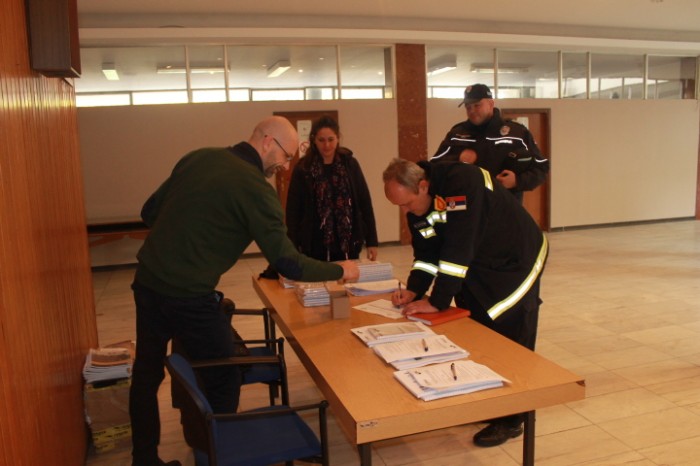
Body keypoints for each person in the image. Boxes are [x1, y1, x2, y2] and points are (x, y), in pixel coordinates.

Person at [129, 115, 360, 466]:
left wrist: (190, 231)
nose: (284, 167)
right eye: (284, 156)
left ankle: (143, 460)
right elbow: (290, 264)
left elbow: (149, 212)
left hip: (147, 281)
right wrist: (340, 269)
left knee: (146, 374)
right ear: (267, 142)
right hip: (189, 295)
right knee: (225, 373)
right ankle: (221, 455)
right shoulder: (255, 189)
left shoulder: (199, 156)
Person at [383, 158, 548, 448]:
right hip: (480, 261)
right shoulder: (419, 203)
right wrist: (414, 290)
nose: (405, 212)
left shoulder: (461, 184)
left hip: (515, 260)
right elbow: (427, 253)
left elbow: (459, 246)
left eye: (406, 204)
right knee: (479, 328)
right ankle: (491, 402)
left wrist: (437, 301)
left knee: (510, 331)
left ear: (423, 187)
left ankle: (513, 419)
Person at [431, 83, 550, 202]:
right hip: (468, 208)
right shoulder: (456, 134)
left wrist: (517, 181)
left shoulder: (517, 133)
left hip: (504, 209)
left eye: (477, 105)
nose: (472, 111)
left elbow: (541, 168)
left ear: (491, 104)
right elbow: (434, 166)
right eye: (468, 107)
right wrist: (458, 158)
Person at [285, 115, 379, 262]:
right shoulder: (304, 168)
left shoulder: (350, 164)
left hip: (348, 243)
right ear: (313, 140)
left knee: (347, 283)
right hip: (314, 245)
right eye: (321, 140)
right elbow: (293, 211)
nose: (326, 145)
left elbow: (364, 203)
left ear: (338, 138)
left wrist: (372, 241)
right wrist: (292, 245)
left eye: (331, 139)